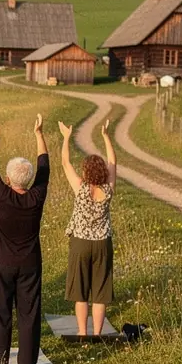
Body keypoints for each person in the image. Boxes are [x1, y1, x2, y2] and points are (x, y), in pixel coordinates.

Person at [0, 114, 49, 364]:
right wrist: (39, 133)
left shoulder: (1, 195)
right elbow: (44, 168)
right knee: (28, 312)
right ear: (28, 180)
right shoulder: (37, 196)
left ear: (8, 180)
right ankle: (26, 363)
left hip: (1, 262)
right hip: (30, 263)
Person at [59, 118, 117, 336]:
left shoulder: (81, 188)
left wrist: (66, 138)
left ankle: (83, 334)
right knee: (100, 293)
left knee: (81, 293)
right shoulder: (109, 190)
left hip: (80, 243)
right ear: (102, 173)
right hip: (102, 243)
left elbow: (65, 163)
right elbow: (113, 162)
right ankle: (97, 334)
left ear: (85, 172)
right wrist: (106, 136)